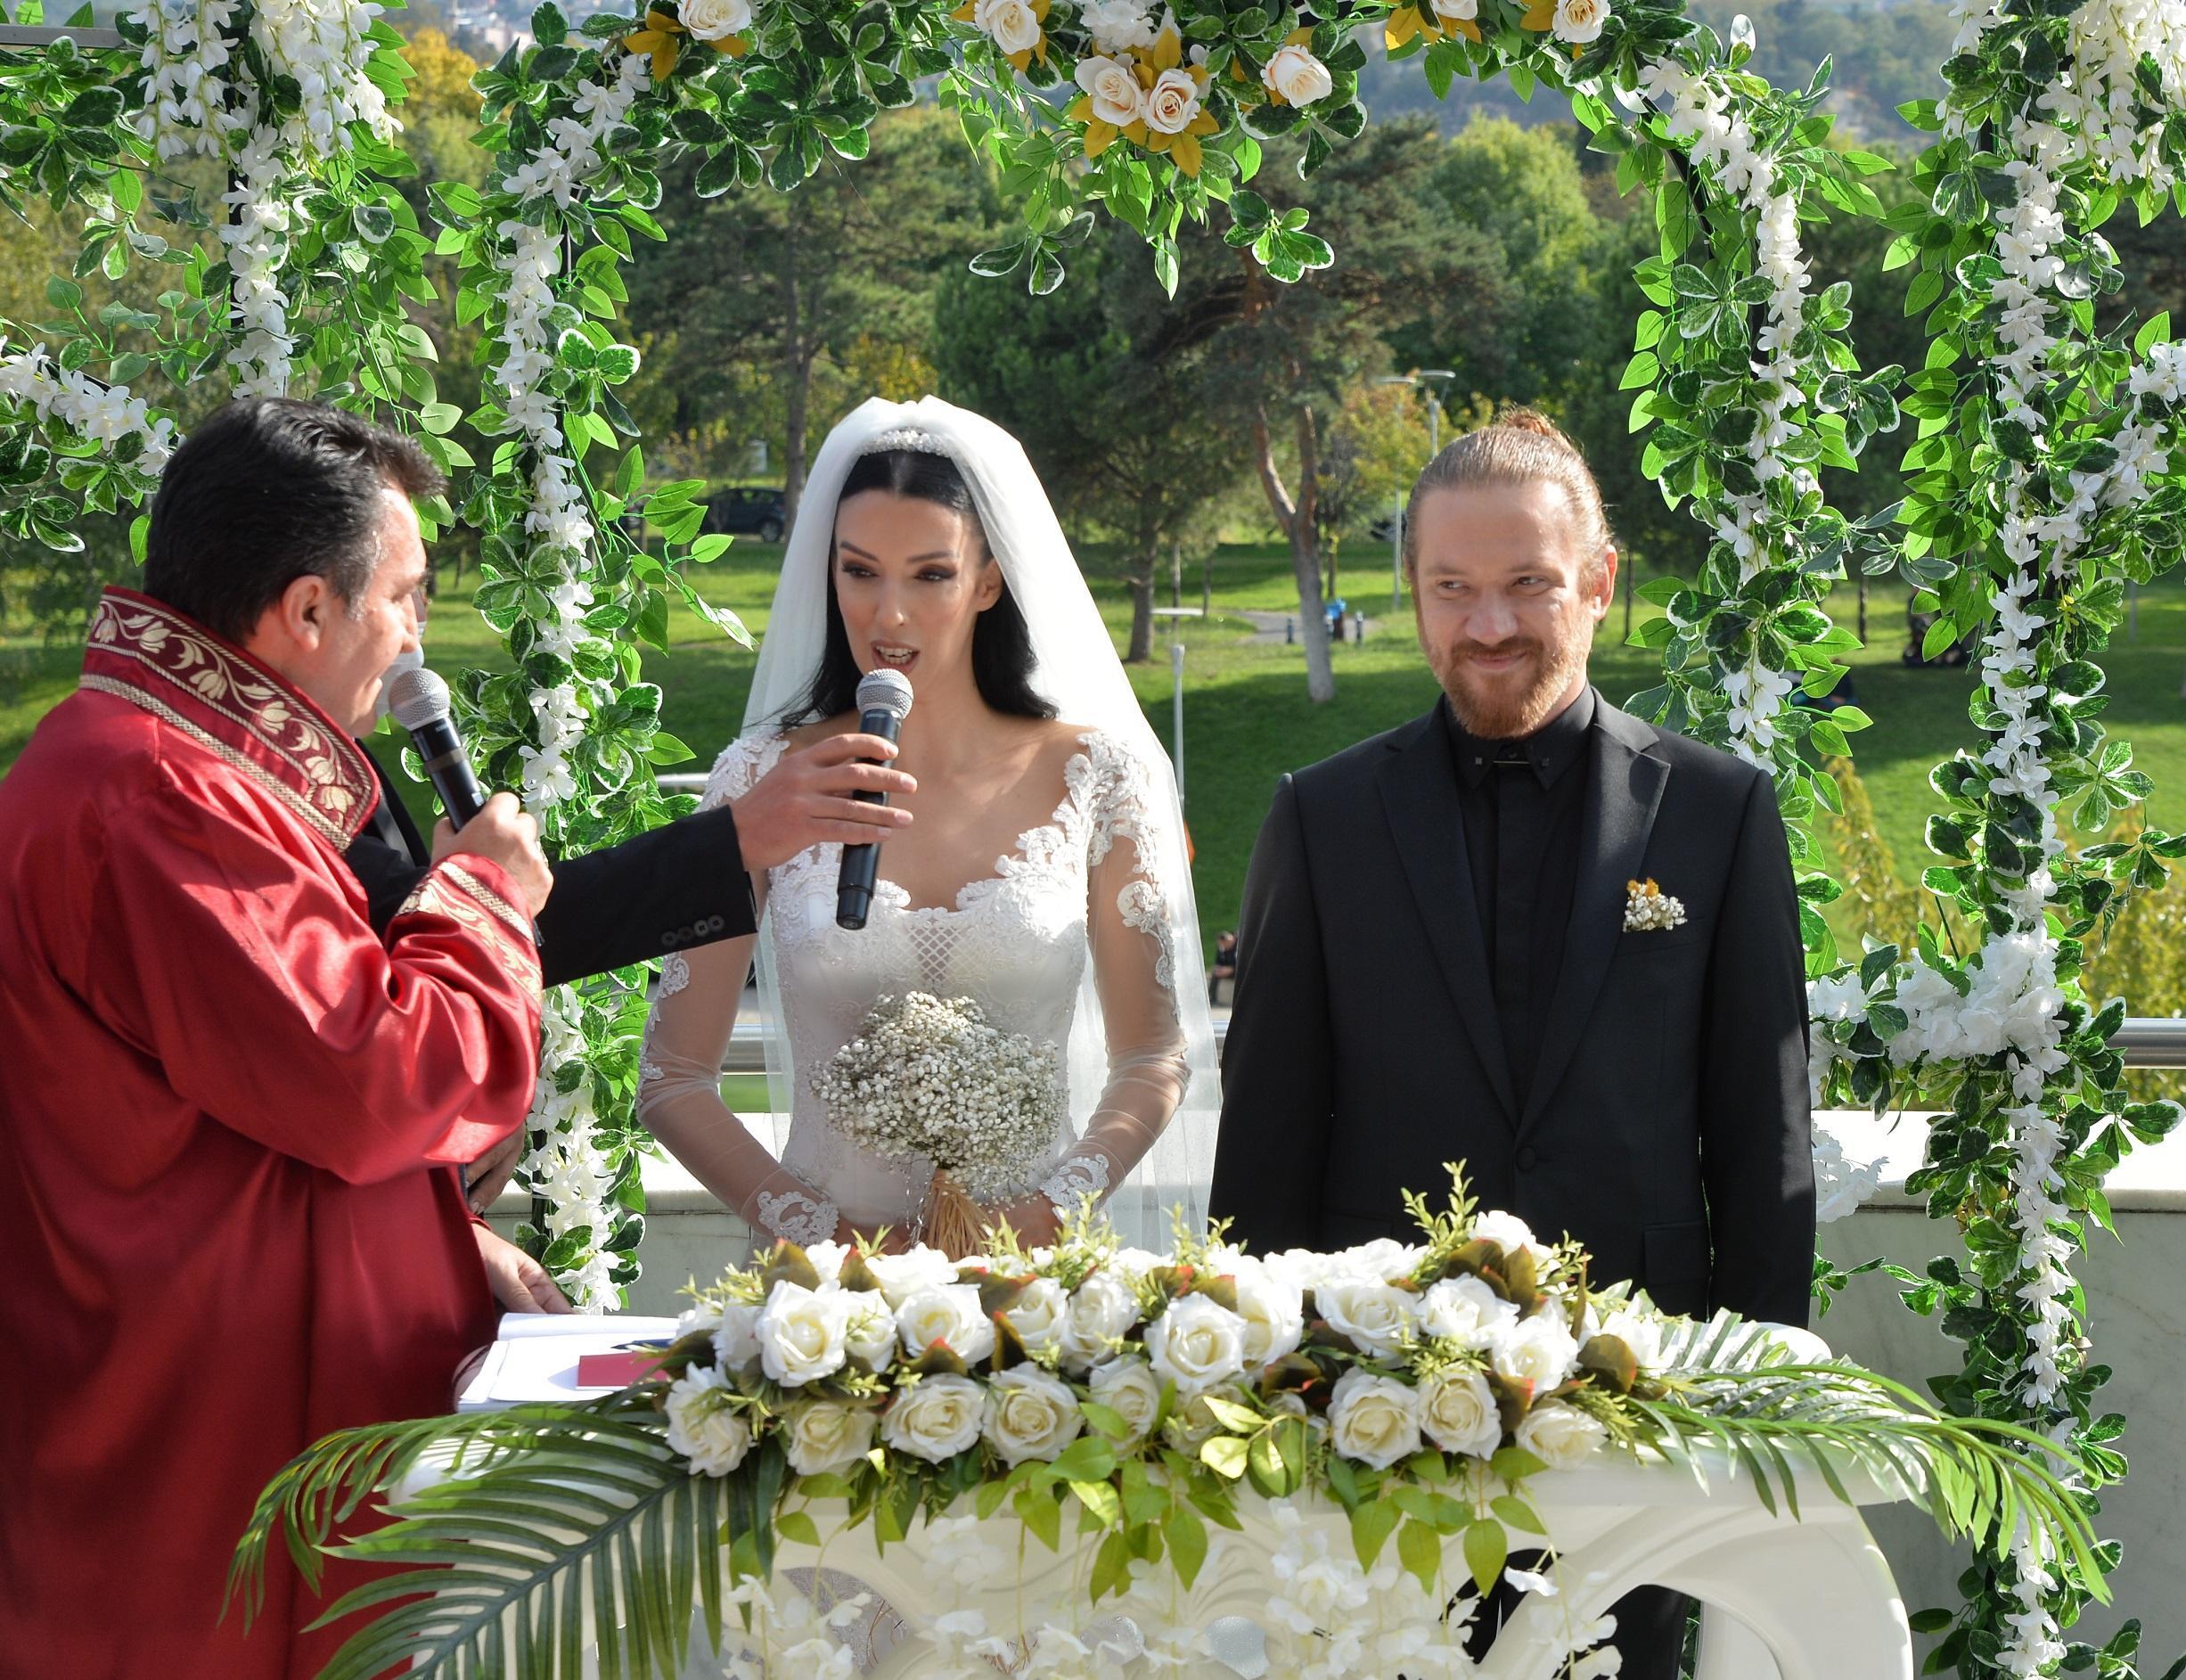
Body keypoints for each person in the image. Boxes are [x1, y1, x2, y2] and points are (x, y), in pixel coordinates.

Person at [1209, 409, 1814, 1680]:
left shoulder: (1718, 812)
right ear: (1417, 598)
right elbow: (1264, 1134)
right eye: (1453, 589)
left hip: (1638, 1404)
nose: (1490, 625)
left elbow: (1763, 1141)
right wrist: (1262, 1400)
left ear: (1597, 581)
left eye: (1528, 583)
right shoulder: (1317, 821)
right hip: (1369, 1408)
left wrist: (1755, 1399)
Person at [0, 398, 555, 1676]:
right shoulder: (162, 794)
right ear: (308, 611)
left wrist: (442, 1234)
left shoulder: (152, 766)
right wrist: (482, 899)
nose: (418, 639)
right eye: (405, 598)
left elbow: (244, 1100)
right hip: (204, 1469)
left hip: (225, 1424)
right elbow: (375, 1079)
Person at [637, 397, 1220, 1255]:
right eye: (860, 571)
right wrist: (822, 1235)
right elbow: (672, 1077)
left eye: (930, 575)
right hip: (822, 1301)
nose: (888, 615)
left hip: (1035, 1286)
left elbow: (1152, 1056)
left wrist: (1046, 1213)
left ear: (988, 579)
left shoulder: (1099, 777)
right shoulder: (761, 780)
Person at [347, 665, 920, 1212]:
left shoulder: (334, 759)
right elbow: (364, 984)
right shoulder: (279, 790)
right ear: (310, 608)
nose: (411, 622)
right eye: (400, 594)